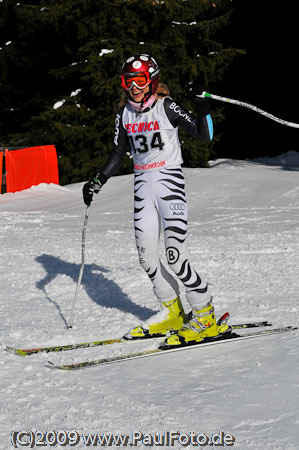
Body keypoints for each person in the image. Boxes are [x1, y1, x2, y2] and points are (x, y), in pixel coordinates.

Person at [83, 54, 229, 347]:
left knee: (175, 255)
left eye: (140, 80)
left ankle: (205, 314)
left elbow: (205, 135)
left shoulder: (166, 106)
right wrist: (98, 180)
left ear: (152, 80)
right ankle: (172, 312)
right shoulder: (125, 113)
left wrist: (202, 108)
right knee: (146, 257)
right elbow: (117, 153)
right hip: (142, 187)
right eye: (129, 81)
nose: (134, 87)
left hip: (168, 183)